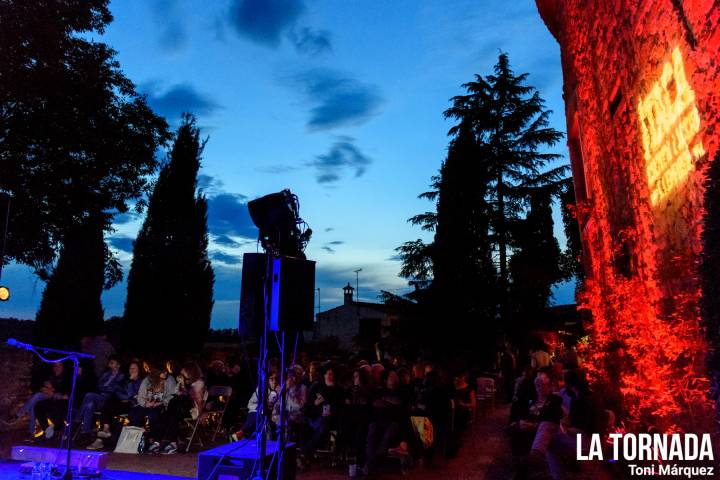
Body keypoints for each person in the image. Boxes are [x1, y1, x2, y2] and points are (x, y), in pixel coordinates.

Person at [86, 360, 144, 450]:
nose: (131, 370)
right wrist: (123, 395)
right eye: (130, 368)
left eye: (134, 368)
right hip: (120, 402)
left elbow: (130, 395)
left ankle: (101, 437)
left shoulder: (140, 382)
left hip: (131, 405)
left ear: (139, 370)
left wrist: (131, 382)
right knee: (108, 403)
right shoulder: (126, 379)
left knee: (110, 405)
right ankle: (105, 429)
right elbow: (118, 391)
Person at [5, 361, 68, 440]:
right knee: (35, 399)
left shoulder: (65, 378)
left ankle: (19, 417)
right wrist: (44, 388)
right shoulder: (51, 375)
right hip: (47, 395)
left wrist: (52, 391)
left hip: (55, 399)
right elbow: (41, 385)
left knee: (36, 399)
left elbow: (63, 393)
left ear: (63, 367)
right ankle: (30, 431)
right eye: (55, 365)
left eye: (59, 365)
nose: (57, 368)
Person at [157, 362, 206, 454]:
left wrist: (183, 386)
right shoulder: (187, 382)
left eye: (184, 373)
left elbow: (195, 399)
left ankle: (169, 440)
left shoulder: (199, 382)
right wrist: (180, 386)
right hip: (181, 410)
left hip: (193, 410)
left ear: (190, 372)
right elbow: (177, 393)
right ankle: (173, 442)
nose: (182, 375)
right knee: (172, 411)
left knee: (173, 409)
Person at [364, 371, 407, 475]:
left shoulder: (401, 391)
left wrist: (385, 401)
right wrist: (390, 402)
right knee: (372, 428)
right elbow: (376, 403)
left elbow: (399, 403)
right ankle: (371, 463)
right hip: (379, 421)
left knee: (390, 430)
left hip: (393, 422)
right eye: (392, 376)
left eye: (395, 375)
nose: (395, 378)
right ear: (385, 380)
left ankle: (371, 464)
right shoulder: (380, 391)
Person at [300, 366, 344, 466]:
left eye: (331, 373)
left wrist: (333, 412)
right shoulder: (317, 387)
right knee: (303, 427)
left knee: (323, 425)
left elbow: (341, 408)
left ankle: (304, 454)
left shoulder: (339, 390)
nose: (329, 375)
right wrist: (314, 404)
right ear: (324, 375)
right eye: (327, 373)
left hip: (331, 419)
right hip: (314, 416)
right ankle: (305, 456)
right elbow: (308, 406)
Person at [129, 362, 176, 452]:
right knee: (134, 414)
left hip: (161, 404)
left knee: (153, 415)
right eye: (163, 372)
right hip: (147, 404)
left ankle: (154, 439)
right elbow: (140, 395)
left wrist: (160, 403)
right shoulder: (148, 380)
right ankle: (140, 439)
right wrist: (146, 404)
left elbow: (171, 396)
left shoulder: (169, 380)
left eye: (166, 371)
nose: (166, 373)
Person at [76, 355, 126, 439]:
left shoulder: (122, 376)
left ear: (118, 365)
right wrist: (106, 387)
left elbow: (114, 389)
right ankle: (86, 431)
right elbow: (99, 385)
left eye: (112, 363)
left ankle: (78, 418)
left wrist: (106, 388)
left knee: (89, 395)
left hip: (109, 400)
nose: (109, 364)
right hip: (100, 398)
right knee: (89, 405)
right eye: (109, 363)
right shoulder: (106, 374)